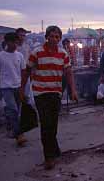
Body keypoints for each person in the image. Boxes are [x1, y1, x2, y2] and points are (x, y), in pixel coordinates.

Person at [20, 26, 78, 170]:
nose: (54, 39)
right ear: (47, 37)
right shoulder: (37, 52)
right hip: (40, 94)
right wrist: (21, 90)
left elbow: (69, 73)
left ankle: (53, 148)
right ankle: (49, 157)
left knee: (53, 123)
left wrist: (73, 90)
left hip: (56, 93)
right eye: (52, 36)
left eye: (57, 36)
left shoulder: (63, 54)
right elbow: (26, 72)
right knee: (46, 123)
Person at [0, 32, 27, 145]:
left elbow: (23, 72)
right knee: (13, 109)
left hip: (17, 87)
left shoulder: (19, 56)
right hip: (6, 87)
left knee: (16, 111)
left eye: (16, 42)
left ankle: (10, 126)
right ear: (7, 42)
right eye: (13, 42)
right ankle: (19, 135)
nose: (15, 44)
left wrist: (23, 88)